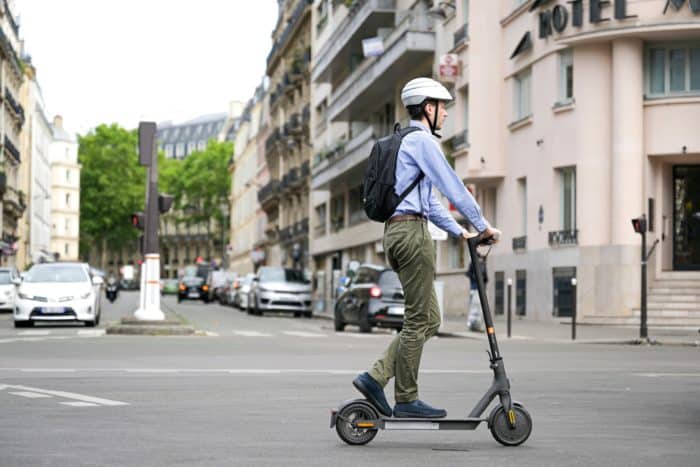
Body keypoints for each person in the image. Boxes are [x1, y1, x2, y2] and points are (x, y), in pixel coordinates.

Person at [352, 77, 500, 419]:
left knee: (430, 319)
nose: (446, 114)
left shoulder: (405, 142)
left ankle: (375, 377)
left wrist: (460, 232)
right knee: (418, 318)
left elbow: (428, 202)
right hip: (412, 235)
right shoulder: (422, 142)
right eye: (442, 106)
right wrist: (483, 225)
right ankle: (406, 398)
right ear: (428, 108)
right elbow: (454, 187)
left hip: (397, 231)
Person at [466, 251, 488, 332]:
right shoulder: (477, 264)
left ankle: (473, 325)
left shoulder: (474, 263)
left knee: (475, 308)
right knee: (476, 308)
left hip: (475, 288)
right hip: (477, 289)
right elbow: (483, 276)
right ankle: (475, 325)